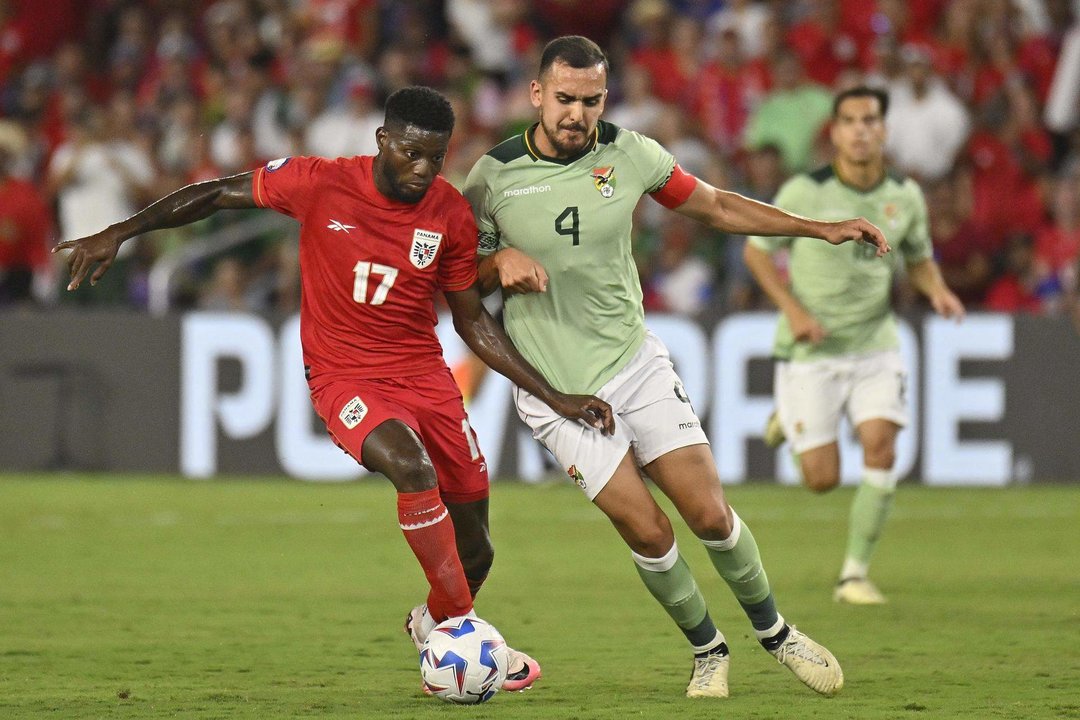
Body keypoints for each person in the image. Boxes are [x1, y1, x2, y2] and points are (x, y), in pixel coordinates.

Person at [54, 85, 615, 694]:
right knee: (411, 466)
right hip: (344, 376)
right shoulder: (319, 182)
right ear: (382, 141)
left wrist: (556, 395)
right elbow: (216, 193)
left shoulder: (449, 212)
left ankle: (434, 624)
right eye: (410, 153)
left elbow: (473, 321)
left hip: (424, 377)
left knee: (477, 549)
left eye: (435, 157)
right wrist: (119, 232)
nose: (422, 169)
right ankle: (468, 641)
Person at [463, 36, 890, 700]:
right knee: (647, 528)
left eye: (592, 100)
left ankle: (776, 633)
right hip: (556, 390)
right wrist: (494, 266)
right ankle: (707, 651)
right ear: (537, 95)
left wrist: (818, 228)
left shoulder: (630, 154)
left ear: (606, 98)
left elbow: (716, 205)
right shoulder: (491, 179)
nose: (578, 114)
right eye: (566, 99)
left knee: (709, 515)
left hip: (633, 362)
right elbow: (457, 283)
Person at [743, 86, 965, 606]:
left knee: (881, 446)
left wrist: (939, 290)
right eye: (849, 120)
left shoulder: (906, 196)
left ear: (884, 130)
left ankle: (854, 574)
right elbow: (757, 253)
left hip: (875, 344)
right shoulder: (804, 191)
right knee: (821, 480)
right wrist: (793, 311)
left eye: (870, 120)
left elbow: (918, 258)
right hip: (811, 350)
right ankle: (785, 416)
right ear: (836, 132)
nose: (861, 129)